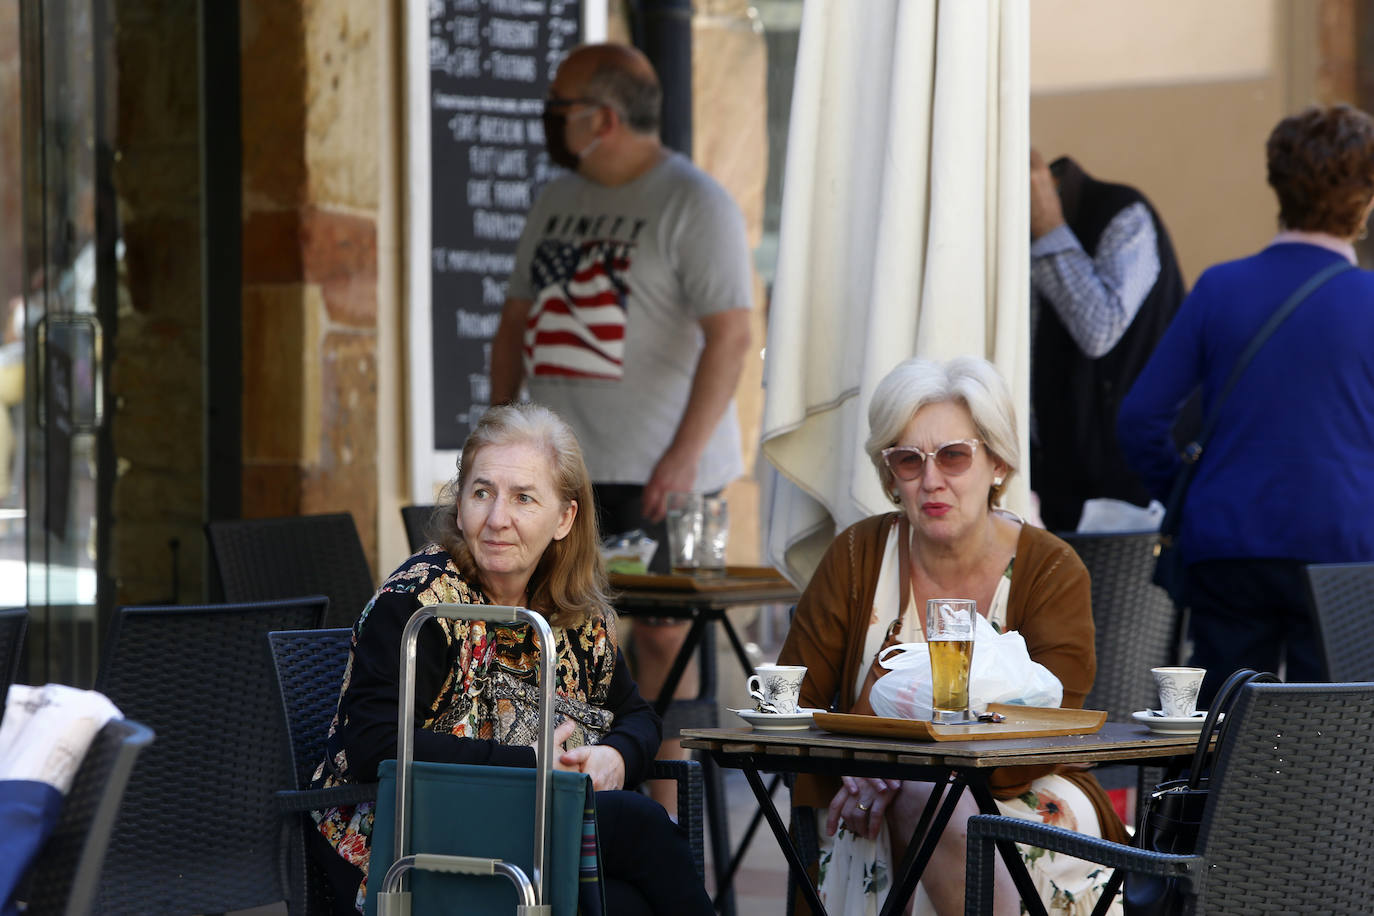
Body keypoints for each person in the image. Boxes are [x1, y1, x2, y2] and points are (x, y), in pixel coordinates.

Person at [305, 403, 713, 916]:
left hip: (521, 835)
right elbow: (374, 743)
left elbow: (636, 714)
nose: (498, 519)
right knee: (640, 822)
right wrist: (532, 768)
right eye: (482, 493)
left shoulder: (568, 607)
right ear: (459, 506)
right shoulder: (419, 606)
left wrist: (617, 757)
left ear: (564, 517)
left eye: (523, 498)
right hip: (404, 843)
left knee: (625, 903)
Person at [490, 42, 754, 811]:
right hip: (560, 472)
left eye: (559, 104)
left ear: (602, 118)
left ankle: (663, 824)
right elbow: (514, 325)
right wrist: (502, 436)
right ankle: (569, 817)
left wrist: (683, 454)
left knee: (665, 639)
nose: (547, 117)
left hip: (662, 474)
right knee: (561, 639)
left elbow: (732, 336)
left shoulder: (693, 202)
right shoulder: (554, 199)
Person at [777, 356, 1126, 916]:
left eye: (954, 455)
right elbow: (795, 704)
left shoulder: (1052, 568)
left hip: (1024, 790)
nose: (931, 479)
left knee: (937, 802)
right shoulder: (855, 556)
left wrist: (908, 772)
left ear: (998, 463)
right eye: (908, 460)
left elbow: (1053, 725)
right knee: (917, 799)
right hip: (871, 789)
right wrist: (866, 769)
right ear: (890, 476)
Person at [1118, 104, 1374, 705]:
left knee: (1220, 731)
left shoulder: (1221, 287)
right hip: (1347, 548)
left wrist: (1190, 488)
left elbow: (1139, 419)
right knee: (1335, 736)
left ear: (1276, 185)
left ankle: (1223, 804)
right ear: (1364, 200)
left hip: (1228, 540)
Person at [1029, 148, 1187, 532]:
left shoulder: (1123, 213)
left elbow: (1099, 328)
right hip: (1049, 477)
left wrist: (1049, 230)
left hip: (1123, 493)